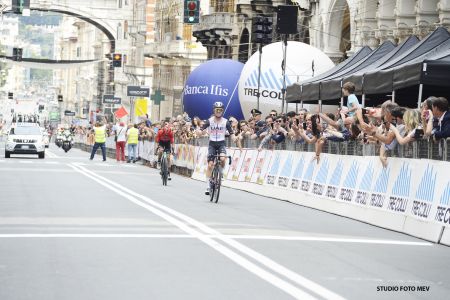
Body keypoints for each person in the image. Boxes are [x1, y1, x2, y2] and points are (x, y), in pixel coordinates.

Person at [198, 102, 233, 195]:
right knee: (210, 165)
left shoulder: (226, 122)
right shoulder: (209, 121)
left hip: (221, 143)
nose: (218, 112)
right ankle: (208, 186)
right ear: (214, 110)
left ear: (222, 111)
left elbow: (231, 133)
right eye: (217, 110)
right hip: (212, 144)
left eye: (220, 110)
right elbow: (201, 130)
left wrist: (234, 137)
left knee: (222, 159)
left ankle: (220, 173)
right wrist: (199, 132)